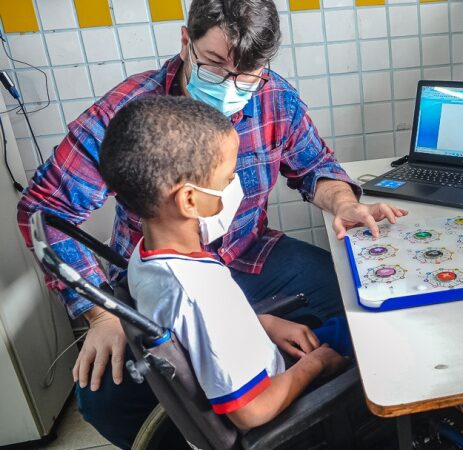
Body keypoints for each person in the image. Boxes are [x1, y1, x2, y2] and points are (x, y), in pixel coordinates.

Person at [16, 0, 406, 447]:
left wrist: (342, 203)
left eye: (247, 73)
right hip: (165, 269)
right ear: (186, 42)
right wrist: (102, 313)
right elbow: (45, 208)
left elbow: (315, 165)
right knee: (105, 397)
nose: (232, 86)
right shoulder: (131, 114)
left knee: (365, 304)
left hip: (248, 254)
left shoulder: (274, 96)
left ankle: (335, 425)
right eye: (216, 65)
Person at [104, 95, 351, 430]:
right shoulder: (199, 295)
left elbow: (199, 335)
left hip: (262, 355)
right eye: (228, 177)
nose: (235, 186)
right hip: (282, 402)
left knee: (363, 327)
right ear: (189, 199)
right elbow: (252, 411)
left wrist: (260, 323)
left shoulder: (147, 255)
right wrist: (317, 364)